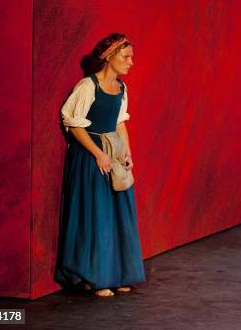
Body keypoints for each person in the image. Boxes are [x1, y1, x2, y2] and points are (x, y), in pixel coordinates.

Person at [55, 33, 146, 296]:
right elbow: (72, 123)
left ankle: (117, 274)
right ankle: (94, 277)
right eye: (126, 57)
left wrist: (125, 152)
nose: (131, 63)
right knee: (96, 215)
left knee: (118, 214)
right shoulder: (87, 86)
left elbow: (119, 122)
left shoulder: (120, 88)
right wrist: (98, 153)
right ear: (109, 57)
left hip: (112, 153)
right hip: (90, 157)